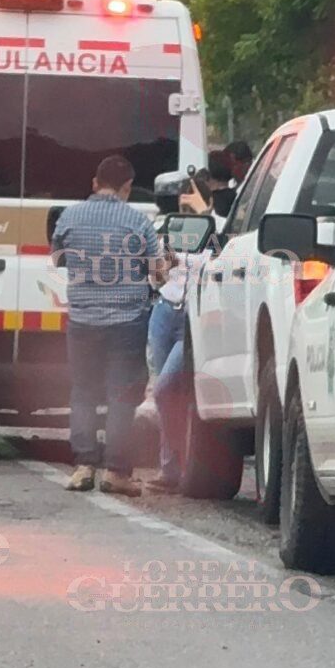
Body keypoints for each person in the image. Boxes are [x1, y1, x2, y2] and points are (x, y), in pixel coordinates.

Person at [51, 152, 166, 496]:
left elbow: (57, 257)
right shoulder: (138, 222)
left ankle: (83, 466)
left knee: (83, 391)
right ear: (127, 187)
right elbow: (158, 273)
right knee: (122, 395)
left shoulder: (69, 217)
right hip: (127, 322)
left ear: (94, 183)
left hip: (83, 319)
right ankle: (116, 472)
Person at [145, 177, 215, 494]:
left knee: (166, 390)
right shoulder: (170, 229)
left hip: (194, 319)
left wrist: (206, 218)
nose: (187, 205)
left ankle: (186, 465)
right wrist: (165, 262)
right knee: (167, 397)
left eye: (194, 200)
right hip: (165, 311)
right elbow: (156, 278)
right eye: (184, 200)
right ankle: (169, 469)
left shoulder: (216, 230)